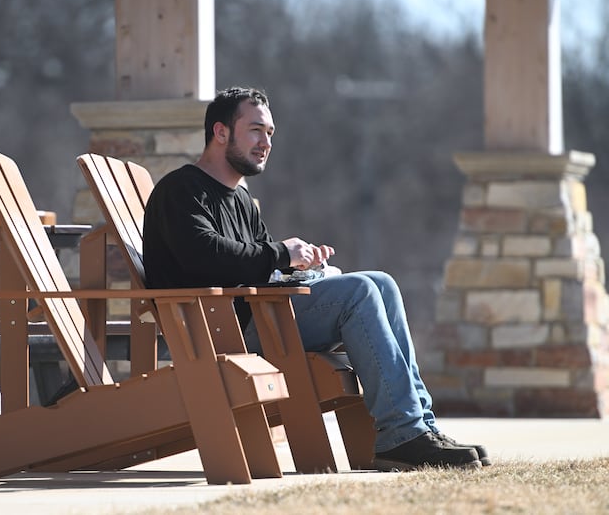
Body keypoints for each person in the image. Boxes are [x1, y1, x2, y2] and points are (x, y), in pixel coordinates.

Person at [143, 86, 489, 471]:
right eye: (256, 130)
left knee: (382, 283)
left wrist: (300, 269)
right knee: (358, 292)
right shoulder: (181, 190)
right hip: (220, 330)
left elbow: (254, 266)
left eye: (270, 133)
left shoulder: (239, 198)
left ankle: (419, 426)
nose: (266, 142)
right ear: (221, 132)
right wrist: (281, 253)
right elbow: (203, 257)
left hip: (253, 315)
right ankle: (402, 435)